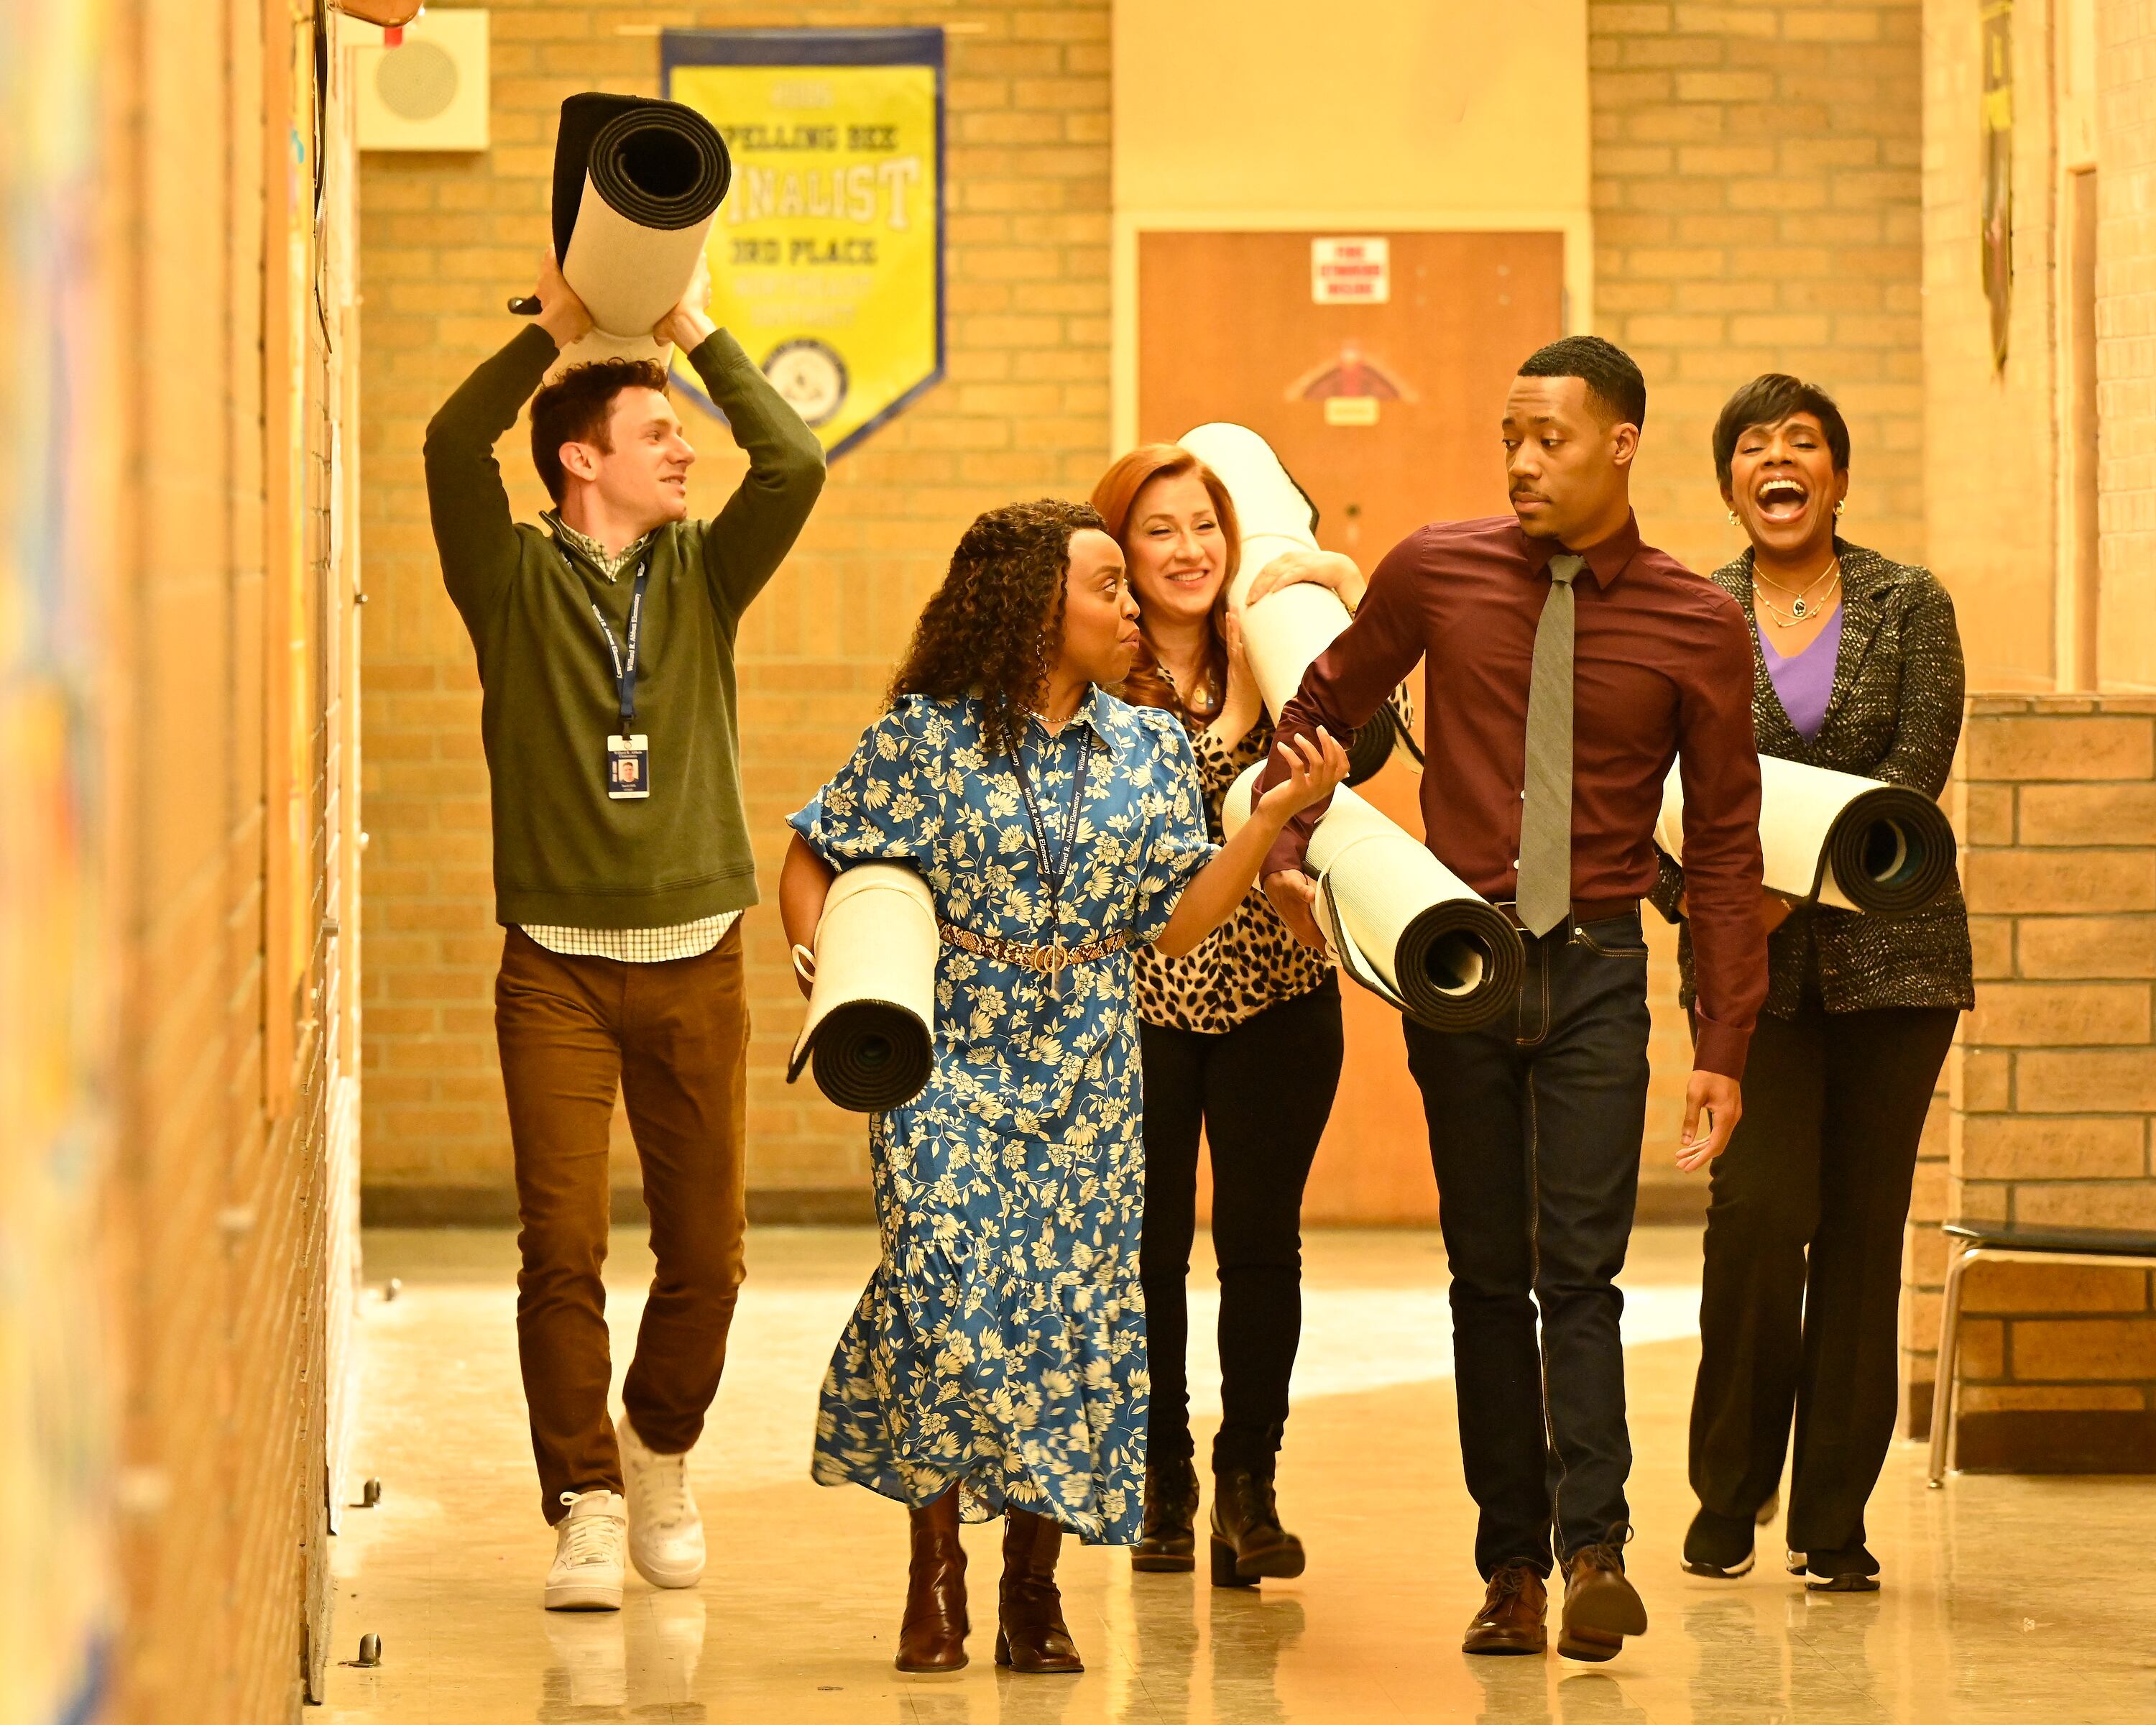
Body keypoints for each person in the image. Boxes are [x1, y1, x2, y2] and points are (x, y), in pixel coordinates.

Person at [1257, 336, 1769, 1662]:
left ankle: (1597, 1545)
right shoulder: (1438, 569)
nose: (1525, 461)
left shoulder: (1697, 621)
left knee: (1580, 1273)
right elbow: (1315, 714)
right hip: (1464, 968)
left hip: (1599, 963)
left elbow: (1723, 845)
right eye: (1509, 439)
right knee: (1486, 1278)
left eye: (1550, 437)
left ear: (1621, 444)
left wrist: (1724, 1038)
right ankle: (1513, 1569)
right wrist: (1300, 848)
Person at [778, 499, 1348, 1675]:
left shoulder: (1145, 748)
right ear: (1039, 606)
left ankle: (1032, 1590)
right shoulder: (926, 736)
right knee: (941, 1296)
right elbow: (811, 851)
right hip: (946, 1055)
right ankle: (935, 1575)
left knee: (1069, 1322)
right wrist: (832, 968)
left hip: (1090, 1065)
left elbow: (1182, 924)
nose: (1133, 609)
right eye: (1110, 589)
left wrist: (1273, 819)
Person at [423, 247, 825, 1610]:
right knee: (565, 1251)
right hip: (556, 970)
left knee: (708, 1255)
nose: (687, 454)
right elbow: (445, 442)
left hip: (700, 959)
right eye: (659, 435)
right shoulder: (510, 583)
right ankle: (584, 1498)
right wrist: (560, 328)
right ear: (582, 461)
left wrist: (690, 332)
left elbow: (796, 468)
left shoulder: (703, 577)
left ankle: (659, 1448)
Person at [1654, 375, 1972, 1593]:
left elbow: (1913, 769)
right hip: (1749, 979)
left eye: (1803, 444)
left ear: (1837, 475)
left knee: (1859, 1233)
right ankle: (1728, 1494)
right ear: (1729, 482)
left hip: (1900, 970)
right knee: (1757, 1220)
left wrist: (1800, 879)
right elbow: (1648, 792)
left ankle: (1832, 1518)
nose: (1778, 461)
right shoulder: (1690, 610)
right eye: (1753, 446)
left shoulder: (1909, 603)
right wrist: (1726, 904)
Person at [1089, 446, 1351, 1586]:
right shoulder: (1097, 664)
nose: (1190, 550)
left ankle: (1251, 1483)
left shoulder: (1276, 639)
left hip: (1277, 996)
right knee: (1146, 1257)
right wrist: (1244, 706)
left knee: (1260, 1249)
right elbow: (1162, 810)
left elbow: (1342, 768)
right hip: (1141, 1004)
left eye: (1206, 525)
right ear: (1122, 553)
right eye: (1160, 530)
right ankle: (1163, 1484)